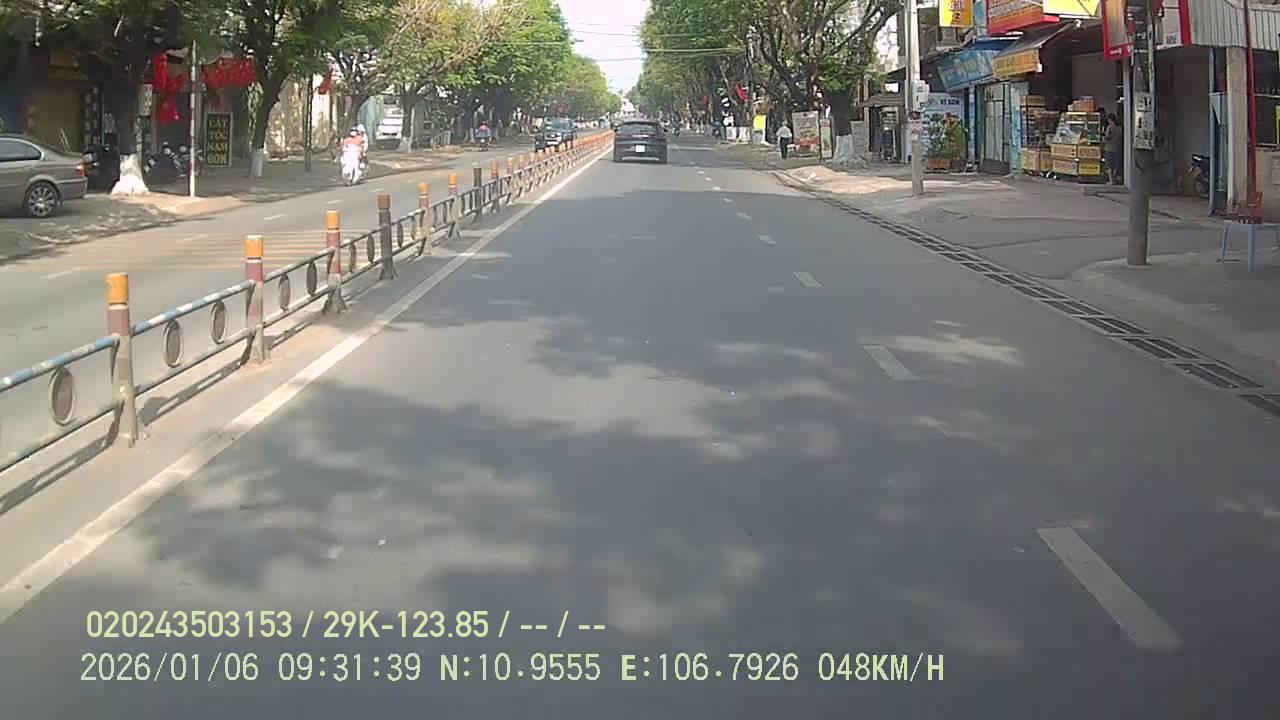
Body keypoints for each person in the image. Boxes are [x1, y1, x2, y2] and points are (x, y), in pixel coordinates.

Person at [1104, 113, 1123, 185]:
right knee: (1116, 165)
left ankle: (1111, 180)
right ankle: (1114, 179)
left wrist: (1104, 136)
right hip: (1118, 148)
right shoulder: (1120, 128)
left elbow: (1107, 137)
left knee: (1109, 165)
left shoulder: (1109, 127)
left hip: (1109, 148)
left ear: (1110, 120)